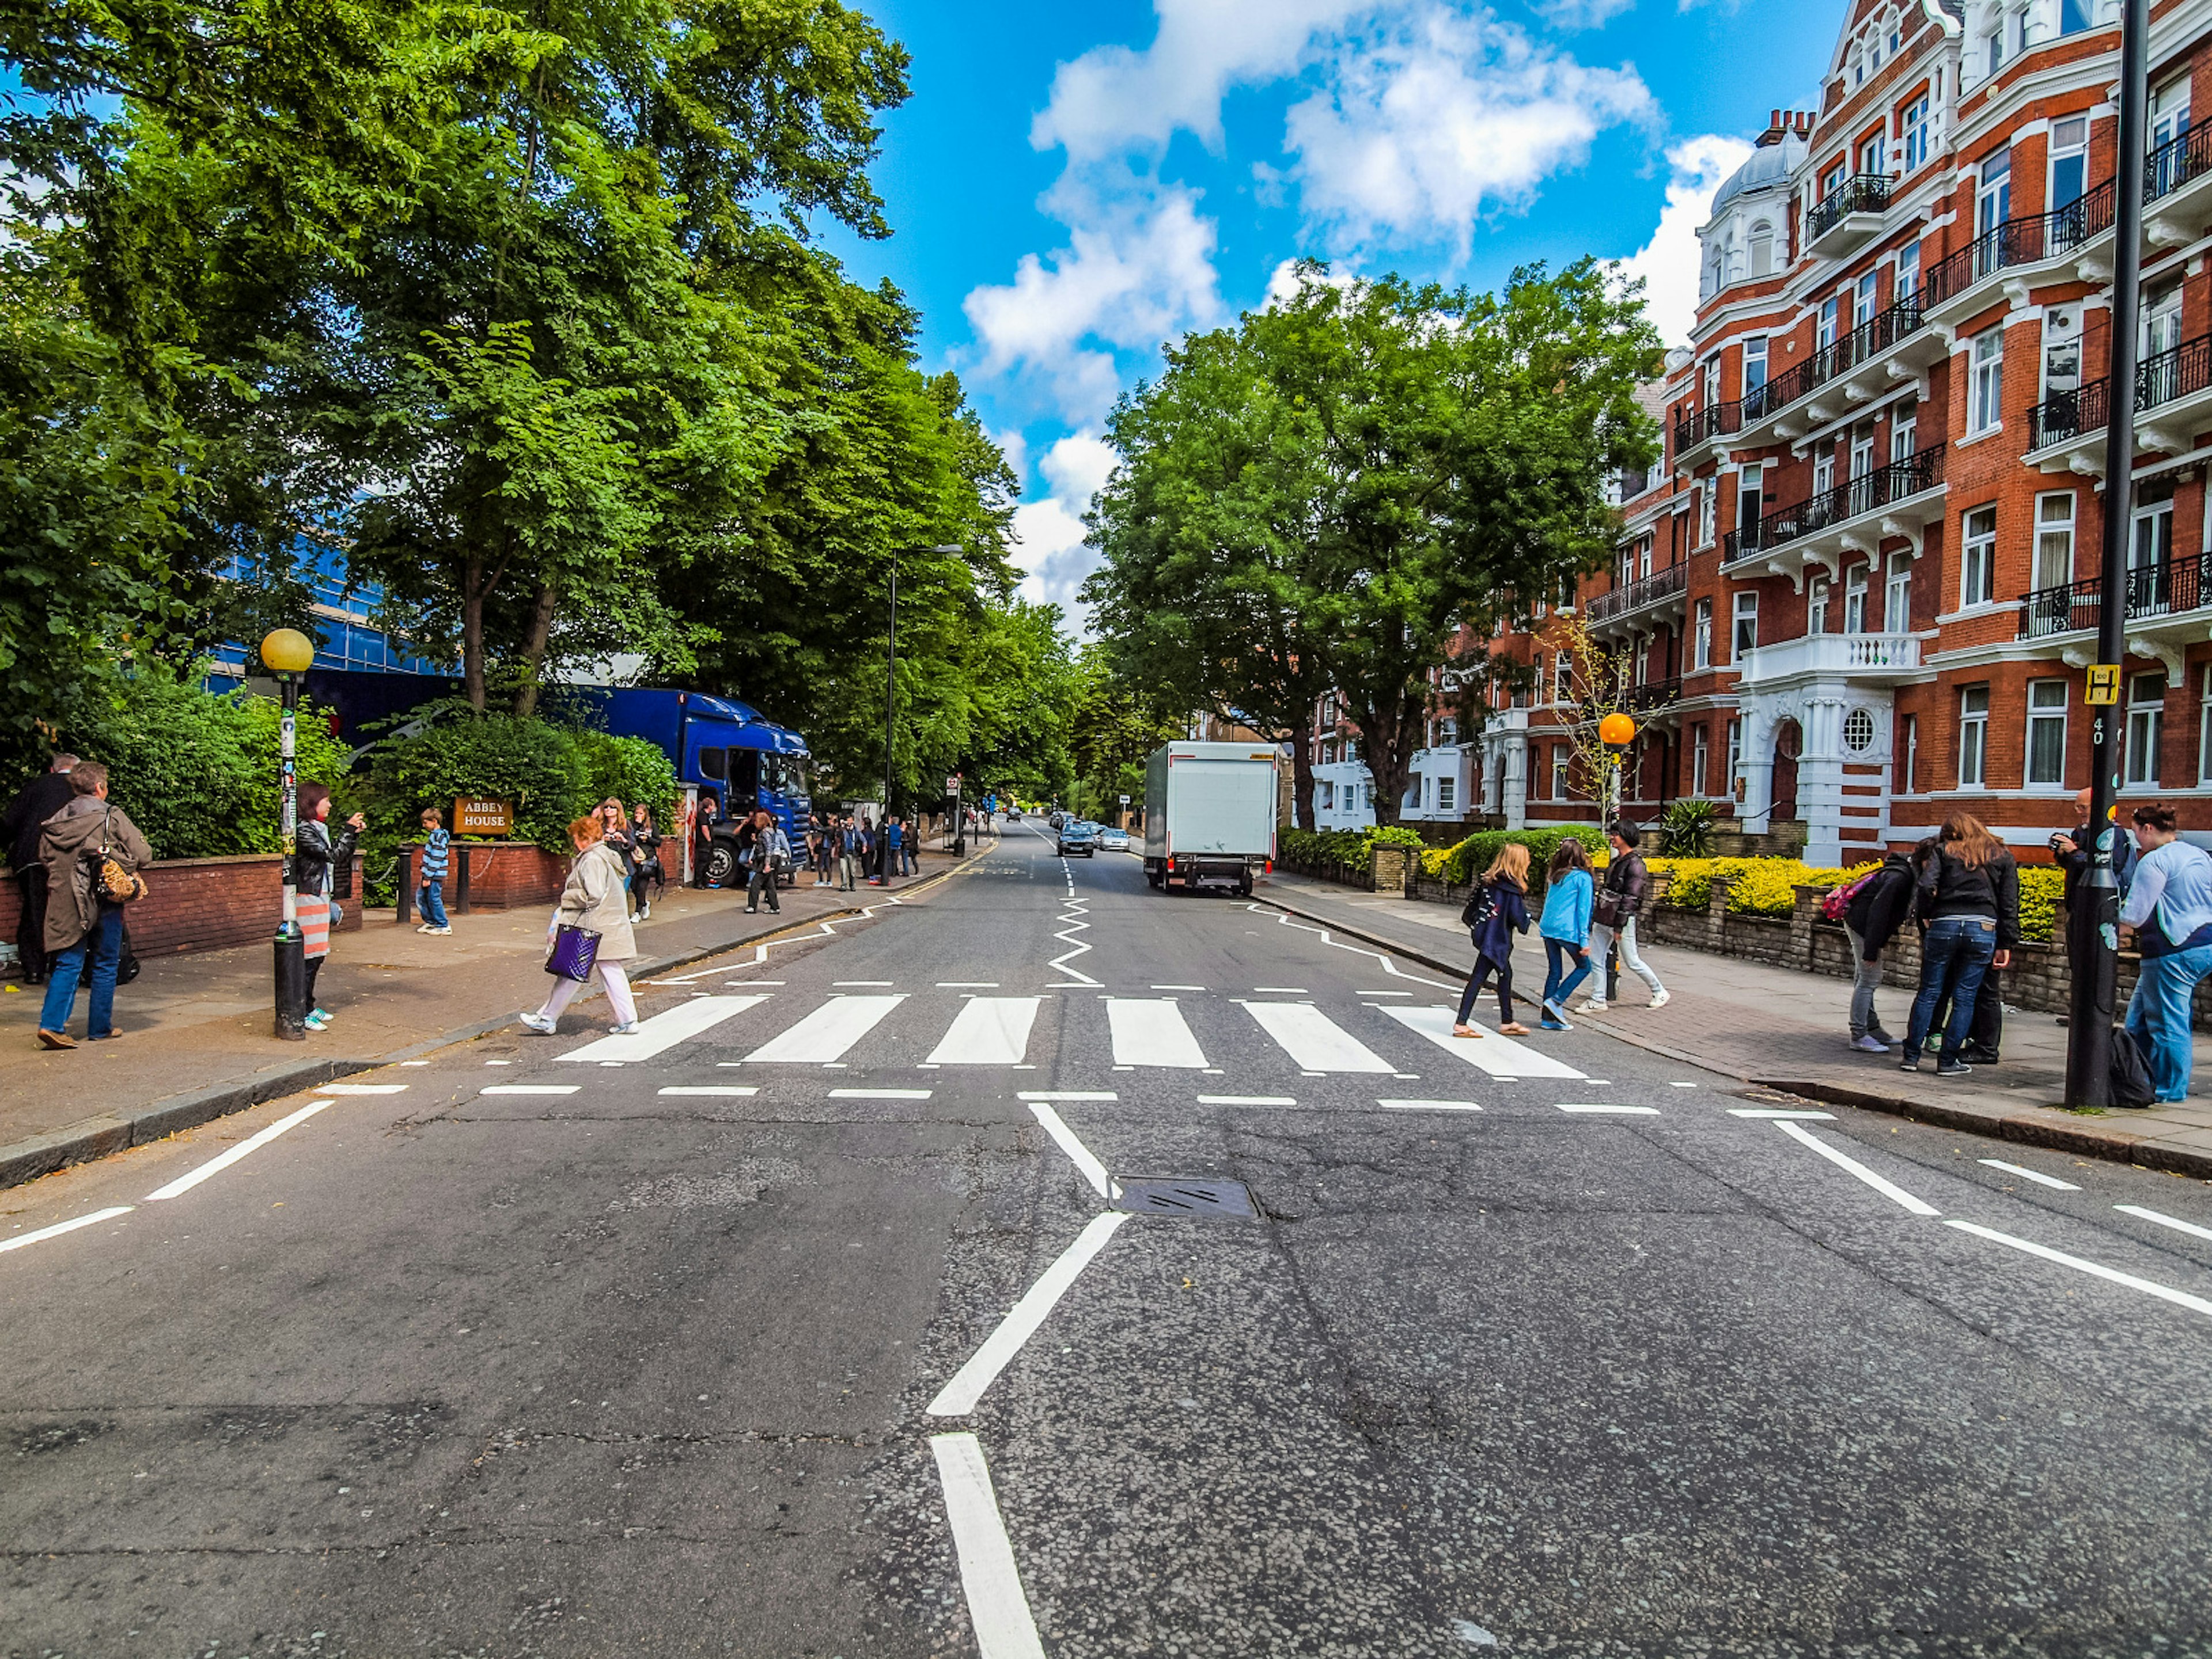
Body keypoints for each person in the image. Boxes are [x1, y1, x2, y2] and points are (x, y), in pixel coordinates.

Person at [33, 762, 150, 1048]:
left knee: (69, 962)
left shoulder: (56, 821)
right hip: (104, 899)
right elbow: (143, 854)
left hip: (66, 900)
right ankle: (100, 1027)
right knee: (106, 962)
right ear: (99, 787)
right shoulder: (112, 816)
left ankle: (52, 1025)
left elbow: (45, 859)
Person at [1899, 813, 2018, 1076]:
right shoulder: (2001, 856)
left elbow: (1926, 885)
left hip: (1945, 924)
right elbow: (2010, 904)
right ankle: (1948, 1061)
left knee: (1929, 992)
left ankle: (1911, 1056)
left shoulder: (1943, 852)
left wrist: (1928, 915)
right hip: (1983, 928)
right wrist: (2006, 942)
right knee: (1965, 997)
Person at [2118, 803, 2212, 1103]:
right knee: (2139, 1019)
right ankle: (2135, 1077)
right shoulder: (2198, 854)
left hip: (2172, 947)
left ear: (2148, 829)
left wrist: (2111, 919)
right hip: (2205, 942)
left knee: (2169, 1022)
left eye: (2135, 833)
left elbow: (2135, 913)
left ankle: (2170, 1089)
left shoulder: (2154, 861)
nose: (2136, 841)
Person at [521, 815, 641, 1036]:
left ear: (585, 838)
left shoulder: (593, 859)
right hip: (608, 925)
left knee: (571, 973)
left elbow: (593, 895)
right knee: (608, 972)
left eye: (577, 837)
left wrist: (567, 897)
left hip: (593, 926)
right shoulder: (605, 855)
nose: (575, 842)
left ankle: (547, 1019)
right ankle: (628, 1021)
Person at [2052, 786, 2137, 1027]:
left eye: (2083, 806)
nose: (2078, 811)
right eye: (2077, 806)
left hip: (2097, 908)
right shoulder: (2081, 831)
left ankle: (2093, 1011)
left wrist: (2076, 852)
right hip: (2077, 905)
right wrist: (2062, 853)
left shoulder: (2114, 833)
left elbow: (2110, 866)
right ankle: (2079, 1009)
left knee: (2094, 961)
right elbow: (2073, 864)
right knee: (2077, 960)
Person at [295, 782, 365, 1032]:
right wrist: (348, 829)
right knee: (307, 957)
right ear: (312, 802)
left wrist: (353, 834)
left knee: (317, 956)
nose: (330, 804)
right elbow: (332, 855)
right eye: (326, 800)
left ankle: (309, 1006)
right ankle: (300, 1011)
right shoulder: (304, 831)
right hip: (308, 897)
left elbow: (339, 855)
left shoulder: (318, 829)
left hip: (320, 896)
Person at [3, 752, 78, 986]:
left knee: (34, 913)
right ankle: (60, 966)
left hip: (31, 857)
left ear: (53, 769)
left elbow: (9, 821)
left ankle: (33, 970)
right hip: (64, 858)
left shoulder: (36, 785)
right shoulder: (80, 788)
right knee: (65, 913)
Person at [1580, 821, 1669, 1012]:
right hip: (1604, 917)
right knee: (1596, 959)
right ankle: (1598, 999)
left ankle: (1659, 990)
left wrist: (1619, 926)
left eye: (1616, 834)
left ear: (1626, 837)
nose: (1612, 837)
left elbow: (1632, 897)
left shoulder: (1635, 864)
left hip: (1621, 920)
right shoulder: (1618, 861)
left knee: (1633, 961)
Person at [1453, 843, 1532, 1037]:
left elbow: (1472, 909)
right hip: (1497, 940)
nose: (1529, 862)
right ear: (1519, 862)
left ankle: (1507, 1021)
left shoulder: (1489, 882)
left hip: (1486, 936)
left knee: (1505, 975)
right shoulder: (1511, 888)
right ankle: (1462, 1023)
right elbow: (1518, 919)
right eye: (1527, 858)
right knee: (1479, 978)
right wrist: (1527, 917)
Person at [1841, 849, 1917, 1052]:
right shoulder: (1900, 878)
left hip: (1859, 922)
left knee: (1864, 978)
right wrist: (1871, 950)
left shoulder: (1900, 872)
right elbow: (1879, 911)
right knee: (1869, 979)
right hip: (1862, 926)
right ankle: (1859, 1035)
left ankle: (1872, 1029)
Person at [1536, 839, 1594, 1031]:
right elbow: (1583, 911)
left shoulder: (1556, 876)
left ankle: (1548, 1019)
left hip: (1548, 928)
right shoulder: (1583, 878)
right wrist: (1584, 940)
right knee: (1584, 967)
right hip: (1567, 930)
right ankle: (1556, 1001)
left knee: (1554, 971)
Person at [416, 806, 452, 935]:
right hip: (431, 874)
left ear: (434, 821)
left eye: (426, 822)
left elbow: (437, 857)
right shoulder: (435, 836)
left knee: (433, 898)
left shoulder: (438, 837)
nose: (424, 825)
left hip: (434, 875)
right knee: (423, 898)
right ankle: (431, 922)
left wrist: (428, 877)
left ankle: (443, 924)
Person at [744, 809, 787, 914]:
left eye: (756, 821)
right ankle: (775, 907)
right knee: (769, 885)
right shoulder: (769, 831)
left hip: (766, 860)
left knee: (755, 883)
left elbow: (768, 849)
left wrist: (767, 864)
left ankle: (752, 906)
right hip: (769, 859)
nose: (755, 823)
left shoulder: (765, 832)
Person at [627, 803, 661, 921]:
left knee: (642, 886)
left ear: (645, 815)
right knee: (634, 886)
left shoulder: (651, 825)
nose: (638, 815)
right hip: (634, 859)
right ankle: (644, 903)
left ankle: (637, 912)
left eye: (641, 813)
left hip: (647, 859)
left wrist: (648, 839)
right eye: (637, 813)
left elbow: (658, 842)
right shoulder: (631, 826)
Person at [692, 794, 722, 887]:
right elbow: (704, 828)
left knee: (707, 862)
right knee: (703, 862)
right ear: (709, 806)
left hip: (707, 842)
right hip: (703, 843)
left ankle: (705, 881)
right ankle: (699, 882)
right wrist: (709, 840)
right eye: (713, 805)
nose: (715, 808)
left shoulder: (707, 815)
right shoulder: (703, 815)